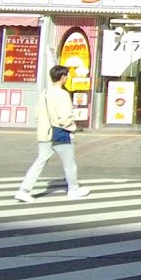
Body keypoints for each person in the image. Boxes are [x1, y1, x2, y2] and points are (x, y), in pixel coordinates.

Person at [14, 65, 90, 203]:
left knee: (39, 162)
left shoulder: (44, 92)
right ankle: (73, 189)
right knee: (69, 163)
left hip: (44, 133)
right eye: (66, 75)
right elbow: (65, 116)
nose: (67, 78)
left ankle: (24, 190)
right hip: (59, 133)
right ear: (62, 77)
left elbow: (37, 113)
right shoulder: (62, 94)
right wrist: (72, 127)